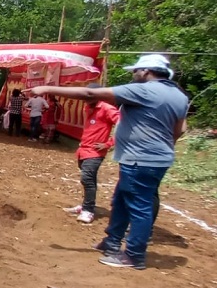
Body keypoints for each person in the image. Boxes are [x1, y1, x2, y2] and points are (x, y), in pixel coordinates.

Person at [32, 54, 188, 270]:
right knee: (121, 200)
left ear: (146, 71)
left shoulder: (143, 90)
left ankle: (134, 255)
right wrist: (160, 146)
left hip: (140, 160)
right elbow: (180, 130)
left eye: (135, 71)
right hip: (153, 159)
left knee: (140, 206)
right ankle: (112, 241)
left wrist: (48, 89)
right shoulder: (178, 96)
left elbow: (89, 92)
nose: (133, 75)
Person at [62, 84, 121, 224]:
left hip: (95, 152)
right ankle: (86, 205)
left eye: (88, 97)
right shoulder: (88, 107)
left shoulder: (107, 108)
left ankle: (88, 210)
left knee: (87, 178)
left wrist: (108, 144)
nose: (85, 100)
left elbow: (124, 125)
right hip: (83, 150)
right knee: (88, 179)